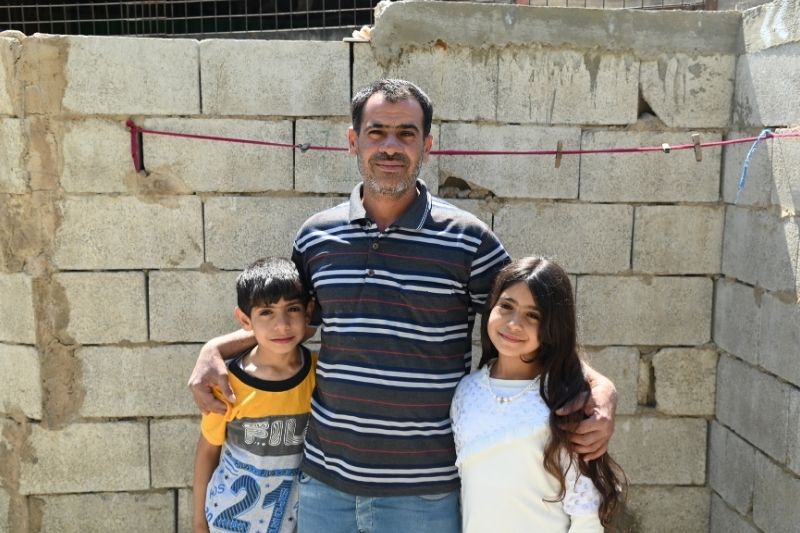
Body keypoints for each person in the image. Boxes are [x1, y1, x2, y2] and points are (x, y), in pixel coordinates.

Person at [188, 79, 618, 533]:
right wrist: (216, 348)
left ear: (427, 146)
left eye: (406, 134)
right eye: (377, 132)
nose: (390, 146)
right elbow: (289, 323)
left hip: (424, 494)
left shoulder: (468, 240)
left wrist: (600, 387)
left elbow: (527, 321)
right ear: (353, 141)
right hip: (324, 486)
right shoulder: (316, 237)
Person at [451, 257, 625, 532]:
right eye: (506, 306)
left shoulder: (565, 402)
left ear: (553, 328)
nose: (513, 323)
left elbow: (586, 512)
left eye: (533, 315)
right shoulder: (466, 392)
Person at [192, 257, 316, 533]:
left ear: (308, 311)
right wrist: (199, 523)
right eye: (266, 313)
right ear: (245, 319)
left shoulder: (319, 374)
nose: (281, 325)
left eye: (292, 309)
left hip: (293, 520)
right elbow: (207, 451)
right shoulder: (226, 384)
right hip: (230, 520)